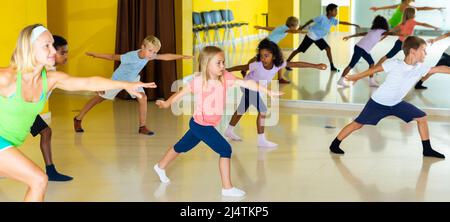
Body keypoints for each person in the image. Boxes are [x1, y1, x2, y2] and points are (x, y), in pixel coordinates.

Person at [0, 24, 156, 202]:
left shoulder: (51, 79)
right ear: (29, 47)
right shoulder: (6, 78)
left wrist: (126, 85)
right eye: (46, 46)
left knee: (37, 180)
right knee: (38, 180)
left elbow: (89, 83)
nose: (53, 50)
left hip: (9, 144)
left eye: (53, 45)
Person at [153, 46, 283, 197]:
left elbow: (247, 83)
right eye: (218, 63)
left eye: (223, 62)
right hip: (201, 125)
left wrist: (268, 91)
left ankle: (160, 166)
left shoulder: (225, 77)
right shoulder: (199, 81)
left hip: (202, 124)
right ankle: (227, 188)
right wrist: (167, 104)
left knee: (181, 146)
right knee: (225, 149)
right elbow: (180, 93)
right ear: (206, 64)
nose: (223, 66)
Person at [329, 36, 449, 159]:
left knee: (421, 117)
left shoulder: (420, 67)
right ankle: (335, 144)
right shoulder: (394, 64)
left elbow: (440, 68)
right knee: (357, 124)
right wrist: (356, 77)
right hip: (378, 103)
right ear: (413, 51)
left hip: (396, 103)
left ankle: (427, 150)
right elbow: (374, 70)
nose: (426, 53)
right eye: (424, 50)